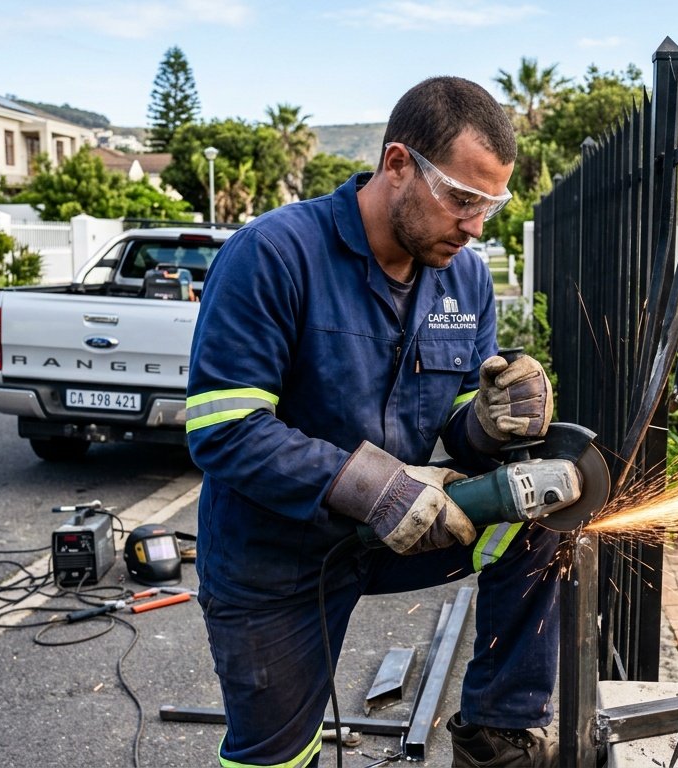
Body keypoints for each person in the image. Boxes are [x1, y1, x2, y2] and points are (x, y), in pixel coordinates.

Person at [186, 76, 560, 768]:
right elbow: (224, 430)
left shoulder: (465, 280)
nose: (476, 226)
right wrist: (376, 488)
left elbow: (452, 420)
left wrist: (488, 420)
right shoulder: (273, 254)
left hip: (400, 534)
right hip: (276, 557)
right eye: (463, 199)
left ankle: (497, 735)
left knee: (539, 519)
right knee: (274, 756)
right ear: (397, 167)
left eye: (493, 205)